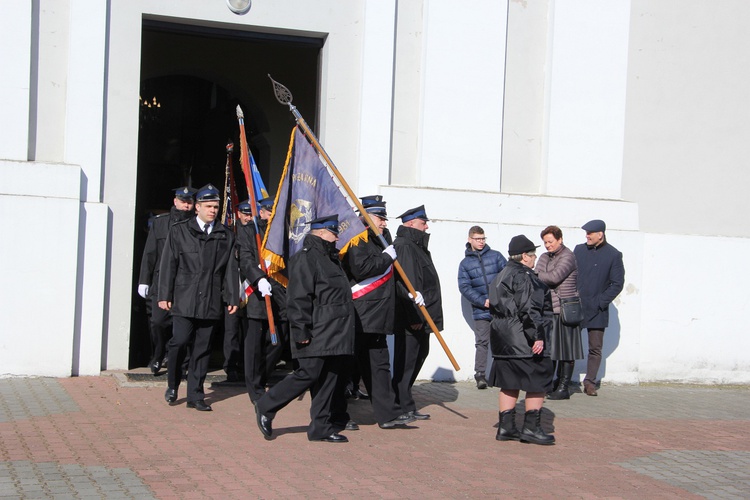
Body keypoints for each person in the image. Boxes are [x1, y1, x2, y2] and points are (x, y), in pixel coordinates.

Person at [254, 215, 355, 443]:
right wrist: (300, 331)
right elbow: (298, 297)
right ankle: (266, 405)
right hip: (317, 330)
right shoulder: (306, 259)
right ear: (320, 233)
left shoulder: (331, 259)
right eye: (333, 232)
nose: (337, 236)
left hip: (336, 331)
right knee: (308, 373)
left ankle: (321, 427)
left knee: (329, 378)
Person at [158, 184, 239, 411]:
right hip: (185, 297)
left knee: (202, 350)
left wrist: (232, 298)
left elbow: (231, 270)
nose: (213, 210)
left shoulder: (225, 235)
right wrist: (164, 294)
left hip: (210, 299)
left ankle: (195, 394)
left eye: (216, 206)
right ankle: (173, 384)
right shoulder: (180, 230)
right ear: (198, 207)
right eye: (208, 206)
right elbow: (168, 265)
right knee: (179, 342)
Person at [341, 195, 416, 429]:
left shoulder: (383, 237)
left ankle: (388, 414)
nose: (384, 222)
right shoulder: (356, 238)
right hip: (360, 312)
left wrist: (408, 293)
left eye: (384, 218)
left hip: (380, 312)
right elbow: (361, 269)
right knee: (344, 368)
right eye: (379, 217)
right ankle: (338, 415)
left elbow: (390, 276)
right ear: (366, 217)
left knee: (379, 365)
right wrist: (386, 258)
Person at [489, 235, 555, 445]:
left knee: (509, 383)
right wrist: (537, 336)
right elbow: (529, 309)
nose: (535, 258)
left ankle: (506, 427)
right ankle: (531, 428)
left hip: (503, 339)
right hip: (521, 340)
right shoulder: (524, 276)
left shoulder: (501, 274)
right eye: (533, 254)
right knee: (538, 380)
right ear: (525, 256)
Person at [137, 186, 195, 375]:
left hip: (185, 283)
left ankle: (181, 362)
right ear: (175, 201)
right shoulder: (161, 223)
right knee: (158, 322)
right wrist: (144, 280)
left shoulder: (196, 224)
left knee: (184, 325)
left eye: (189, 202)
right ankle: (158, 355)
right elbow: (150, 253)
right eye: (183, 201)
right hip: (161, 281)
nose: (185, 205)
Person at [392, 205, 441, 421]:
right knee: (408, 360)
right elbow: (408, 284)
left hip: (424, 315)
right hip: (413, 317)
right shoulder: (405, 246)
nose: (427, 226)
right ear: (411, 223)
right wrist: (414, 317)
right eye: (423, 223)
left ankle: (406, 402)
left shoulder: (416, 245)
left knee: (420, 355)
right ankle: (400, 404)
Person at [236, 197, 288, 404]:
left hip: (282, 293)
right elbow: (247, 259)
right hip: (259, 294)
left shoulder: (283, 233)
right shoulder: (251, 231)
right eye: (270, 212)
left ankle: (263, 376)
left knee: (278, 341)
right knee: (254, 346)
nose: (273, 216)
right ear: (263, 213)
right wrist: (258, 280)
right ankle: (254, 387)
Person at [573, 219, 625, 396]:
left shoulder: (613, 255)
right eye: (586, 233)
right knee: (570, 343)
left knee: (595, 347)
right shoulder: (579, 250)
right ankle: (563, 379)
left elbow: (617, 284)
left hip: (597, 309)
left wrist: (600, 302)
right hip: (576, 306)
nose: (587, 236)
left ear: (600, 235)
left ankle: (590, 381)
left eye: (590, 233)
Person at [535, 225, 583, 400]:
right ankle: (552, 383)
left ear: (560, 239)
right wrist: (541, 274)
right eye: (545, 242)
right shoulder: (544, 256)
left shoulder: (568, 256)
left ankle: (564, 386)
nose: (548, 245)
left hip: (565, 309)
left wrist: (539, 274)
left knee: (567, 350)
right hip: (549, 310)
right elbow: (539, 273)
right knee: (552, 350)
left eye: (550, 241)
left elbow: (555, 277)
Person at [457, 225, 507, 389]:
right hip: (481, 310)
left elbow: (507, 277)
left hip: (500, 308)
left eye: (483, 238)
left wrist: (499, 298)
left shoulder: (496, 256)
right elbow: (464, 287)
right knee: (482, 342)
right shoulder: (465, 264)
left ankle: (503, 375)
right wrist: (482, 301)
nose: (481, 242)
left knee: (503, 341)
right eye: (478, 239)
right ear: (470, 239)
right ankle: (480, 375)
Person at [221, 200, 254, 383]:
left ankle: (244, 365)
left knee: (248, 330)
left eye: (250, 214)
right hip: (234, 287)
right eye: (245, 214)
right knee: (231, 330)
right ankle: (231, 366)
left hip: (251, 288)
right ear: (238, 214)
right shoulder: (230, 234)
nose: (248, 217)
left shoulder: (256, 234)